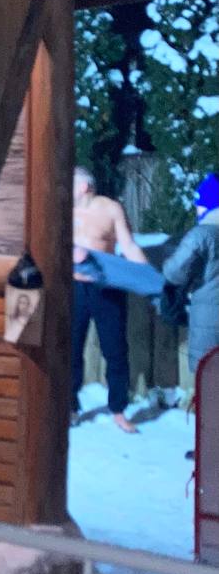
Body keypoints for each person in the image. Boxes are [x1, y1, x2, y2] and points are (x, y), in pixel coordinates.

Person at [71, 166, 149, 432]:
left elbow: (129, 245)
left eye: (71, 184)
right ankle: (70, 407)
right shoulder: (63, 209)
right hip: (73, 287)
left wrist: (148, 276)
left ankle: (118, 410)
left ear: (84, 187)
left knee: (115, 350)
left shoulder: (111, 209)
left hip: (106, 287)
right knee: (71, 348)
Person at [162, 172, 219, 379]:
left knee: (209, 380)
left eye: (199, 204)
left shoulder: (201, 235)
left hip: (209, 320)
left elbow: (175, 272)